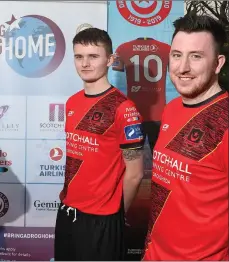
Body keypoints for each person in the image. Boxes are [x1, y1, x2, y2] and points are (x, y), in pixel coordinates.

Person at [142, 14, 228, 261]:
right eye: (177, 55)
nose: (183, 68)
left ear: (218, 63)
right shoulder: (171, 108)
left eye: (196, 56)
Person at [54, 28, 145, 261]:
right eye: (79, 56)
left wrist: (113, 213)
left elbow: (135, 174)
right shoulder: (72, 102)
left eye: (93, 56)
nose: (85, 63)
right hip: (67, 211)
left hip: (103, 219)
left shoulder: (124, 108)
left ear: (110, 59)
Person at [112, 37, 171, 153]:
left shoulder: (122, 48)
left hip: (133, 114)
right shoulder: (167, 49)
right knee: (159, 157)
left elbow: (116, 67)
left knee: (132, 157)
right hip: (158, 113)